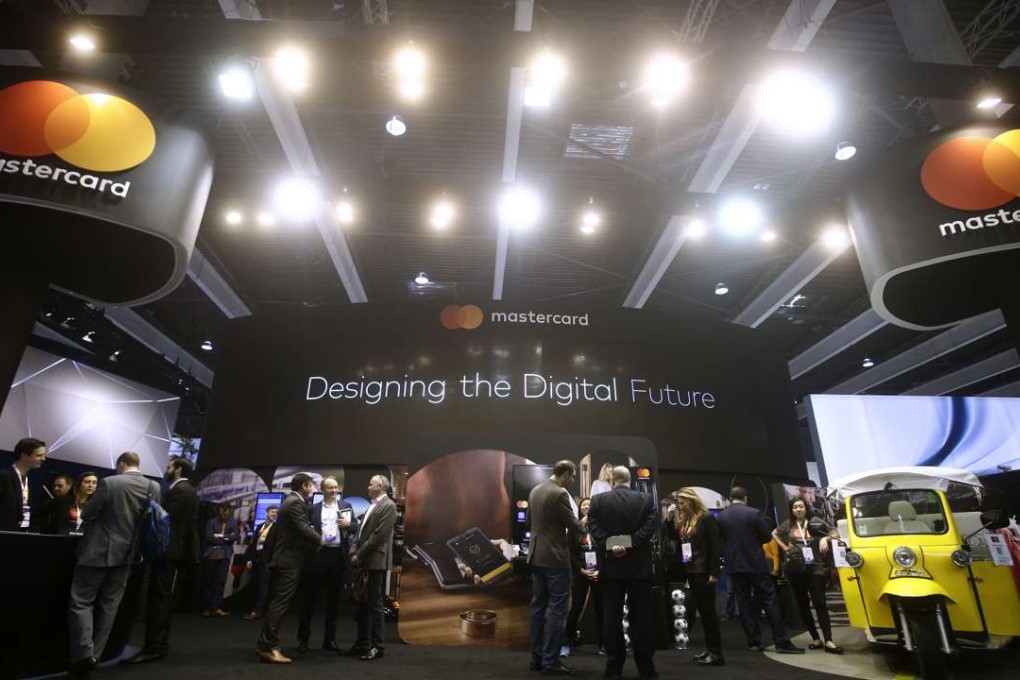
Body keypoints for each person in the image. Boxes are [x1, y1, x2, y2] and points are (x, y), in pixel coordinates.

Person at [67, 452, 157, 678]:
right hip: (128, 556)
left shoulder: (110, 483)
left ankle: (83, 654)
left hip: (97, 552)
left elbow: (88, 514)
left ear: (121, 464)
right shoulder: (153, 487)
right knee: (109, 606)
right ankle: (95, 656)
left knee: (81, 602)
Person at [125, 456, 200, 664]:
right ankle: (157, 646)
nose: (166, 470)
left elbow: (164, 518)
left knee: (159, 599)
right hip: (171, 552)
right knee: (162, 599)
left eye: (169, 467)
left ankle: (154, 647)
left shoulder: (181, 491)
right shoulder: (185, 490)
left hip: (168, 551)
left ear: (177, 469)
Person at [588, 466, 658, 680]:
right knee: (642, 620)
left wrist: (612, 544)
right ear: (630, 480)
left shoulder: (598, 501)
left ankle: (613, 668)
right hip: (639, 568)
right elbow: (649, 528)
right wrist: (629, 543)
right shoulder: (647, 500)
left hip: (611, 567)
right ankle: (646, 668)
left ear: (612, 481)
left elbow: (593, 527)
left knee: (611, 618)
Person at [716, 486, 803, 655]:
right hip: (756, 564)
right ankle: (781, 641)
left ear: (730, 497)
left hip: (734, 566)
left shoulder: (721, 516)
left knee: (743, 603)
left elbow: (719, 541)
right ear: (745, 498)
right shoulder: (754, 513)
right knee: (770, 599)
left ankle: (754, 642)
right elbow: (766, 537)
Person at [256, 473, 322, 664]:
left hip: (286, 559)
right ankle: (269, 647)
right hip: (288, 561)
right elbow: (302, 527)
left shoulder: (291, 501)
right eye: (311, 486)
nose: (313, 489)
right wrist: (320, 539)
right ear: (304, 486)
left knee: (277, 603)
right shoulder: (295, 503)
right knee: (280, 604)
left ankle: (264, 644)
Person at [528, 460, 584, 676]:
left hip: (536, 556)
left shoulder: (536, 490)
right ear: (567, 473)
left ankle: (537, 658)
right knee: (557, 611)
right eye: (573, 476)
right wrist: (585, 521)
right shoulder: (559, 493)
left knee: (537, 608)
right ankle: (551, 661)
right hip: (555, 559)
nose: (573, 480)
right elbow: (573, 524)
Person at [772, 497, 843, 654]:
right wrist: (784, 547)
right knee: (803, 605)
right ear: (792, 509)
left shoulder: (815, 521)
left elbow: (835, 532)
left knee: (820, 603)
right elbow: (774, 533)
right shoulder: (788, 524)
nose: (798, 509)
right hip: (795, 569)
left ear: (806, 508)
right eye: (795, 507)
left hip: (815, 568)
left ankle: (829, 640)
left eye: (801, 506)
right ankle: (815, 638)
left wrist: (825, 538)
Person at [297, 476, 357, 653]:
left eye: (336, 487)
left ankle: (329, 640)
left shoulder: (346, 506)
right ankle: (304, 640)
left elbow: (355, 528)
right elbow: (305, 532)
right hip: (318, 556)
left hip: (337, 556)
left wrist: (349, 524)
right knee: (309, 600)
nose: (333, 490)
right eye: (330, 487)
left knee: (334, 601)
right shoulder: (312, 509)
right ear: (322, 490)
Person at [667, 487, 724, 666]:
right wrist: (669, 519)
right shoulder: (687, 520)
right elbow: (675, 538)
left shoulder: (705, 518)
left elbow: (715, 547)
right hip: (691, 571)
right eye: (679, 503)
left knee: (708, 614)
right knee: (703, 612)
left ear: (691, 500)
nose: (680, 506)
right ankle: (710, 649)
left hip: (704, 572)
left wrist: (714, 572)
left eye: (683, 503)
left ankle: (716, 653)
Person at [344, 474, 397, 661]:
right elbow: (360, 532)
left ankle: (377, 646)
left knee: (375, 603)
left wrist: (359, 554)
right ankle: (363, 643)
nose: (368, 486)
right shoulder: (371, 505)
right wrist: (353, 550)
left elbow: (378, 536)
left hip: (375, 561)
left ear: (381, 486)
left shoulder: (389, 506)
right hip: (365, 560)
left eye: (371, 483)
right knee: (363, 604)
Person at [562, 497, 603, 658]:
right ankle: (566, 642)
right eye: (584, 505)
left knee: (601, 607)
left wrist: (600, 569)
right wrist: (580, 569)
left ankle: (604, 644)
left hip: (598, 572)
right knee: (576, 606)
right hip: (580, 573)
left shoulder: (600, 526)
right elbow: (570, 551)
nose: (586, 506)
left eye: (589, 504)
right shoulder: (574, 527)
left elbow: (604, 548)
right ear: (580, 509)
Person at [0, 437, 47, 531]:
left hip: (19, 533)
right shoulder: (4, 476)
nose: (43, 459)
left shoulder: (27, 480)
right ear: (24, 455)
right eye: (39, 455)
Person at [201, 503, 240, 617]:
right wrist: (225, 537)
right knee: (209, 581)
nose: (225, 513)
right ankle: (207, 607)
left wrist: (219, 536)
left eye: (227, 511)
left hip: (225, 554)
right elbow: (208, 537)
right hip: (211, 554)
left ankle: (216, 606)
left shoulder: (232, 522)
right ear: (219, 511)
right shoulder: (211, 522)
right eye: (223, 511)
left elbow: (235, 536)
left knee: (221, 581)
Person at [243, 505, 278, 620]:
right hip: (256, 559)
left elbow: (275, 546)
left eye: (275, 512)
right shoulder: (259, 526)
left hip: (267, 560)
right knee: (255, 585)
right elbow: (253, 544)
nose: (274, 514)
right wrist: (249, 558)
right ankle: (254, 609)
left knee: (264, 586)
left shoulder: (277, 528)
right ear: (267, 513)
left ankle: (258, 611)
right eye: (272, 512)